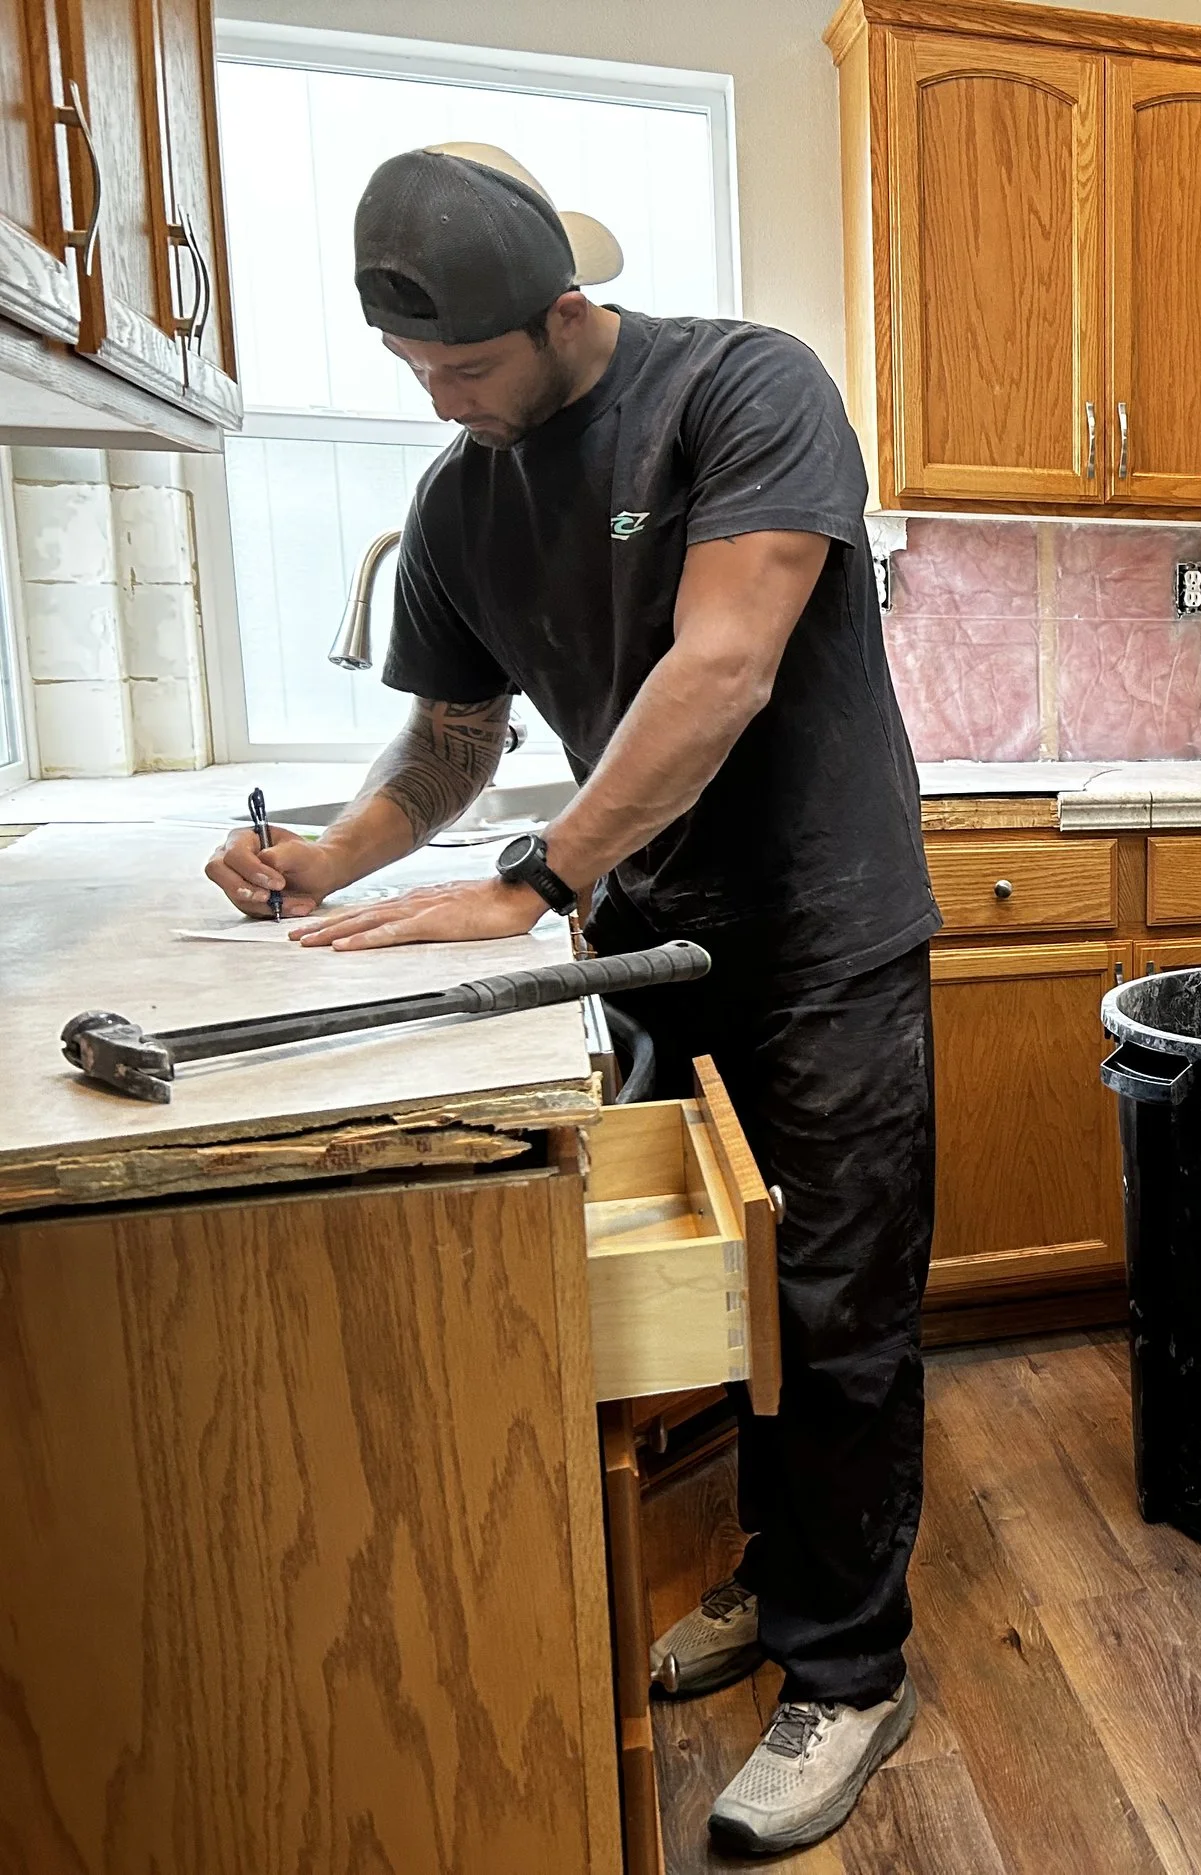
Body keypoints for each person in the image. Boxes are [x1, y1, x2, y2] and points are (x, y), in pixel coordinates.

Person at [202, 144, 941, 1856]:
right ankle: (783, 1573)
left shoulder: (743, 387)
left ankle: (852, 1668)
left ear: (562, 312)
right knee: (730, 1288)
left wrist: (537, 879)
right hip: (657, 930)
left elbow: (726, 664)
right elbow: (449, 744)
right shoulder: (465, 502)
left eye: (467, 368)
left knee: (836, 1298)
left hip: (823, 928)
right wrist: (332, 856)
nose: (445, 403)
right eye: (415, 375)